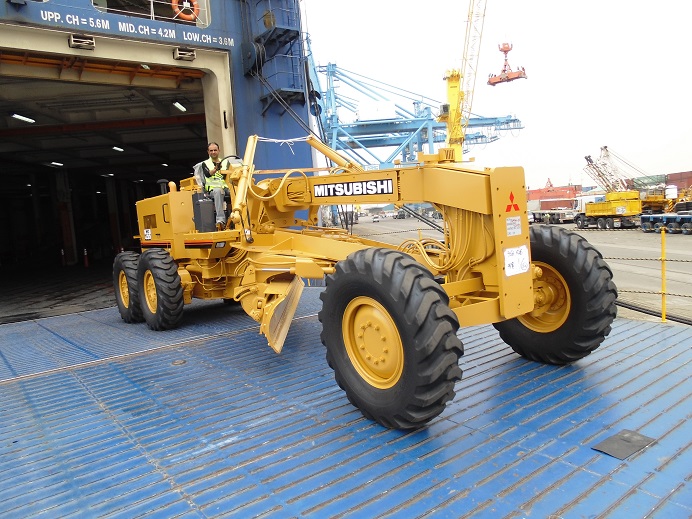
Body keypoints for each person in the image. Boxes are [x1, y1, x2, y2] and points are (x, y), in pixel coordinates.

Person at [201, 142, 231, 230]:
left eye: (215, 150)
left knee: (237, 191)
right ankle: (220, 220)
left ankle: (239, 217)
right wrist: (215, 169)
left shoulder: (226, 162)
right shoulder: (205, 163)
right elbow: (207, 174)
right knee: (218, 191)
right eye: (211, 150)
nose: (213, 152)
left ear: (219, 150)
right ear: (208, 152)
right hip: (213, 190)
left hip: (225, 188)